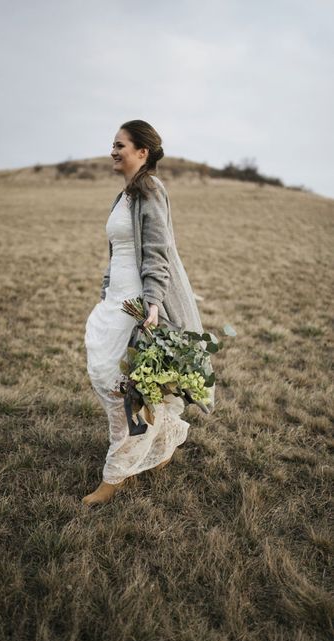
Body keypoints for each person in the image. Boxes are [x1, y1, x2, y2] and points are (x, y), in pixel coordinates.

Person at [82, 119, 214, 506]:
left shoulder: (151, 190)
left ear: (142, 152)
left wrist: (153, 304)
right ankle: (162, 439)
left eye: (120, 144)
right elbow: (118, 251)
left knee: (122, 388)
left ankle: (115, 475)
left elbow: (158, 254)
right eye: (113, 144)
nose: (113, 150)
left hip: (139, 304)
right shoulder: (125, 194)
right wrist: (107, 290)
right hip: (116, 301)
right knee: (113, 380)